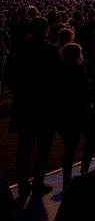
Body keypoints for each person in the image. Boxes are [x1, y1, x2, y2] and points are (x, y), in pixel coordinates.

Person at [7, 16, 60, 197]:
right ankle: (38, 181)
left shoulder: (20, 50)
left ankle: (22, 183)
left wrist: (18, 92)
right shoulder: (52, 51)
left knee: (24, 148)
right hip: (45, 105)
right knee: (43, 148)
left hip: (24, 104)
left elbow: (10, 75)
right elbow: (57, 78)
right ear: (46, 31)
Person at [55, 42, 90, 189]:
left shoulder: (59, 70)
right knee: (90, 142)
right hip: (79, 111)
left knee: (69, 148)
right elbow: (85, 91)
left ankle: (67, 180)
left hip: (64, 111)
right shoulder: (79, 70)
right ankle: (84, 171)